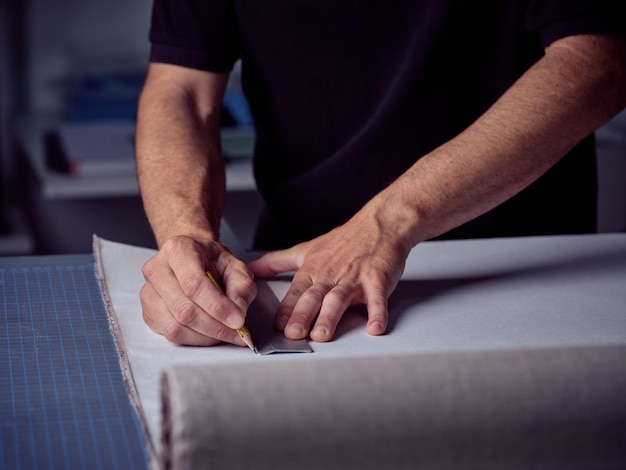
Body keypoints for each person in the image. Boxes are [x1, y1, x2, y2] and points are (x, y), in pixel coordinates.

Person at [136, 0, 626, 347]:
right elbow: (182, 89)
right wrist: (185, 235)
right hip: (299, 274)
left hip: (525, 271)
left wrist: (386, 224)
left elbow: (598, 59)